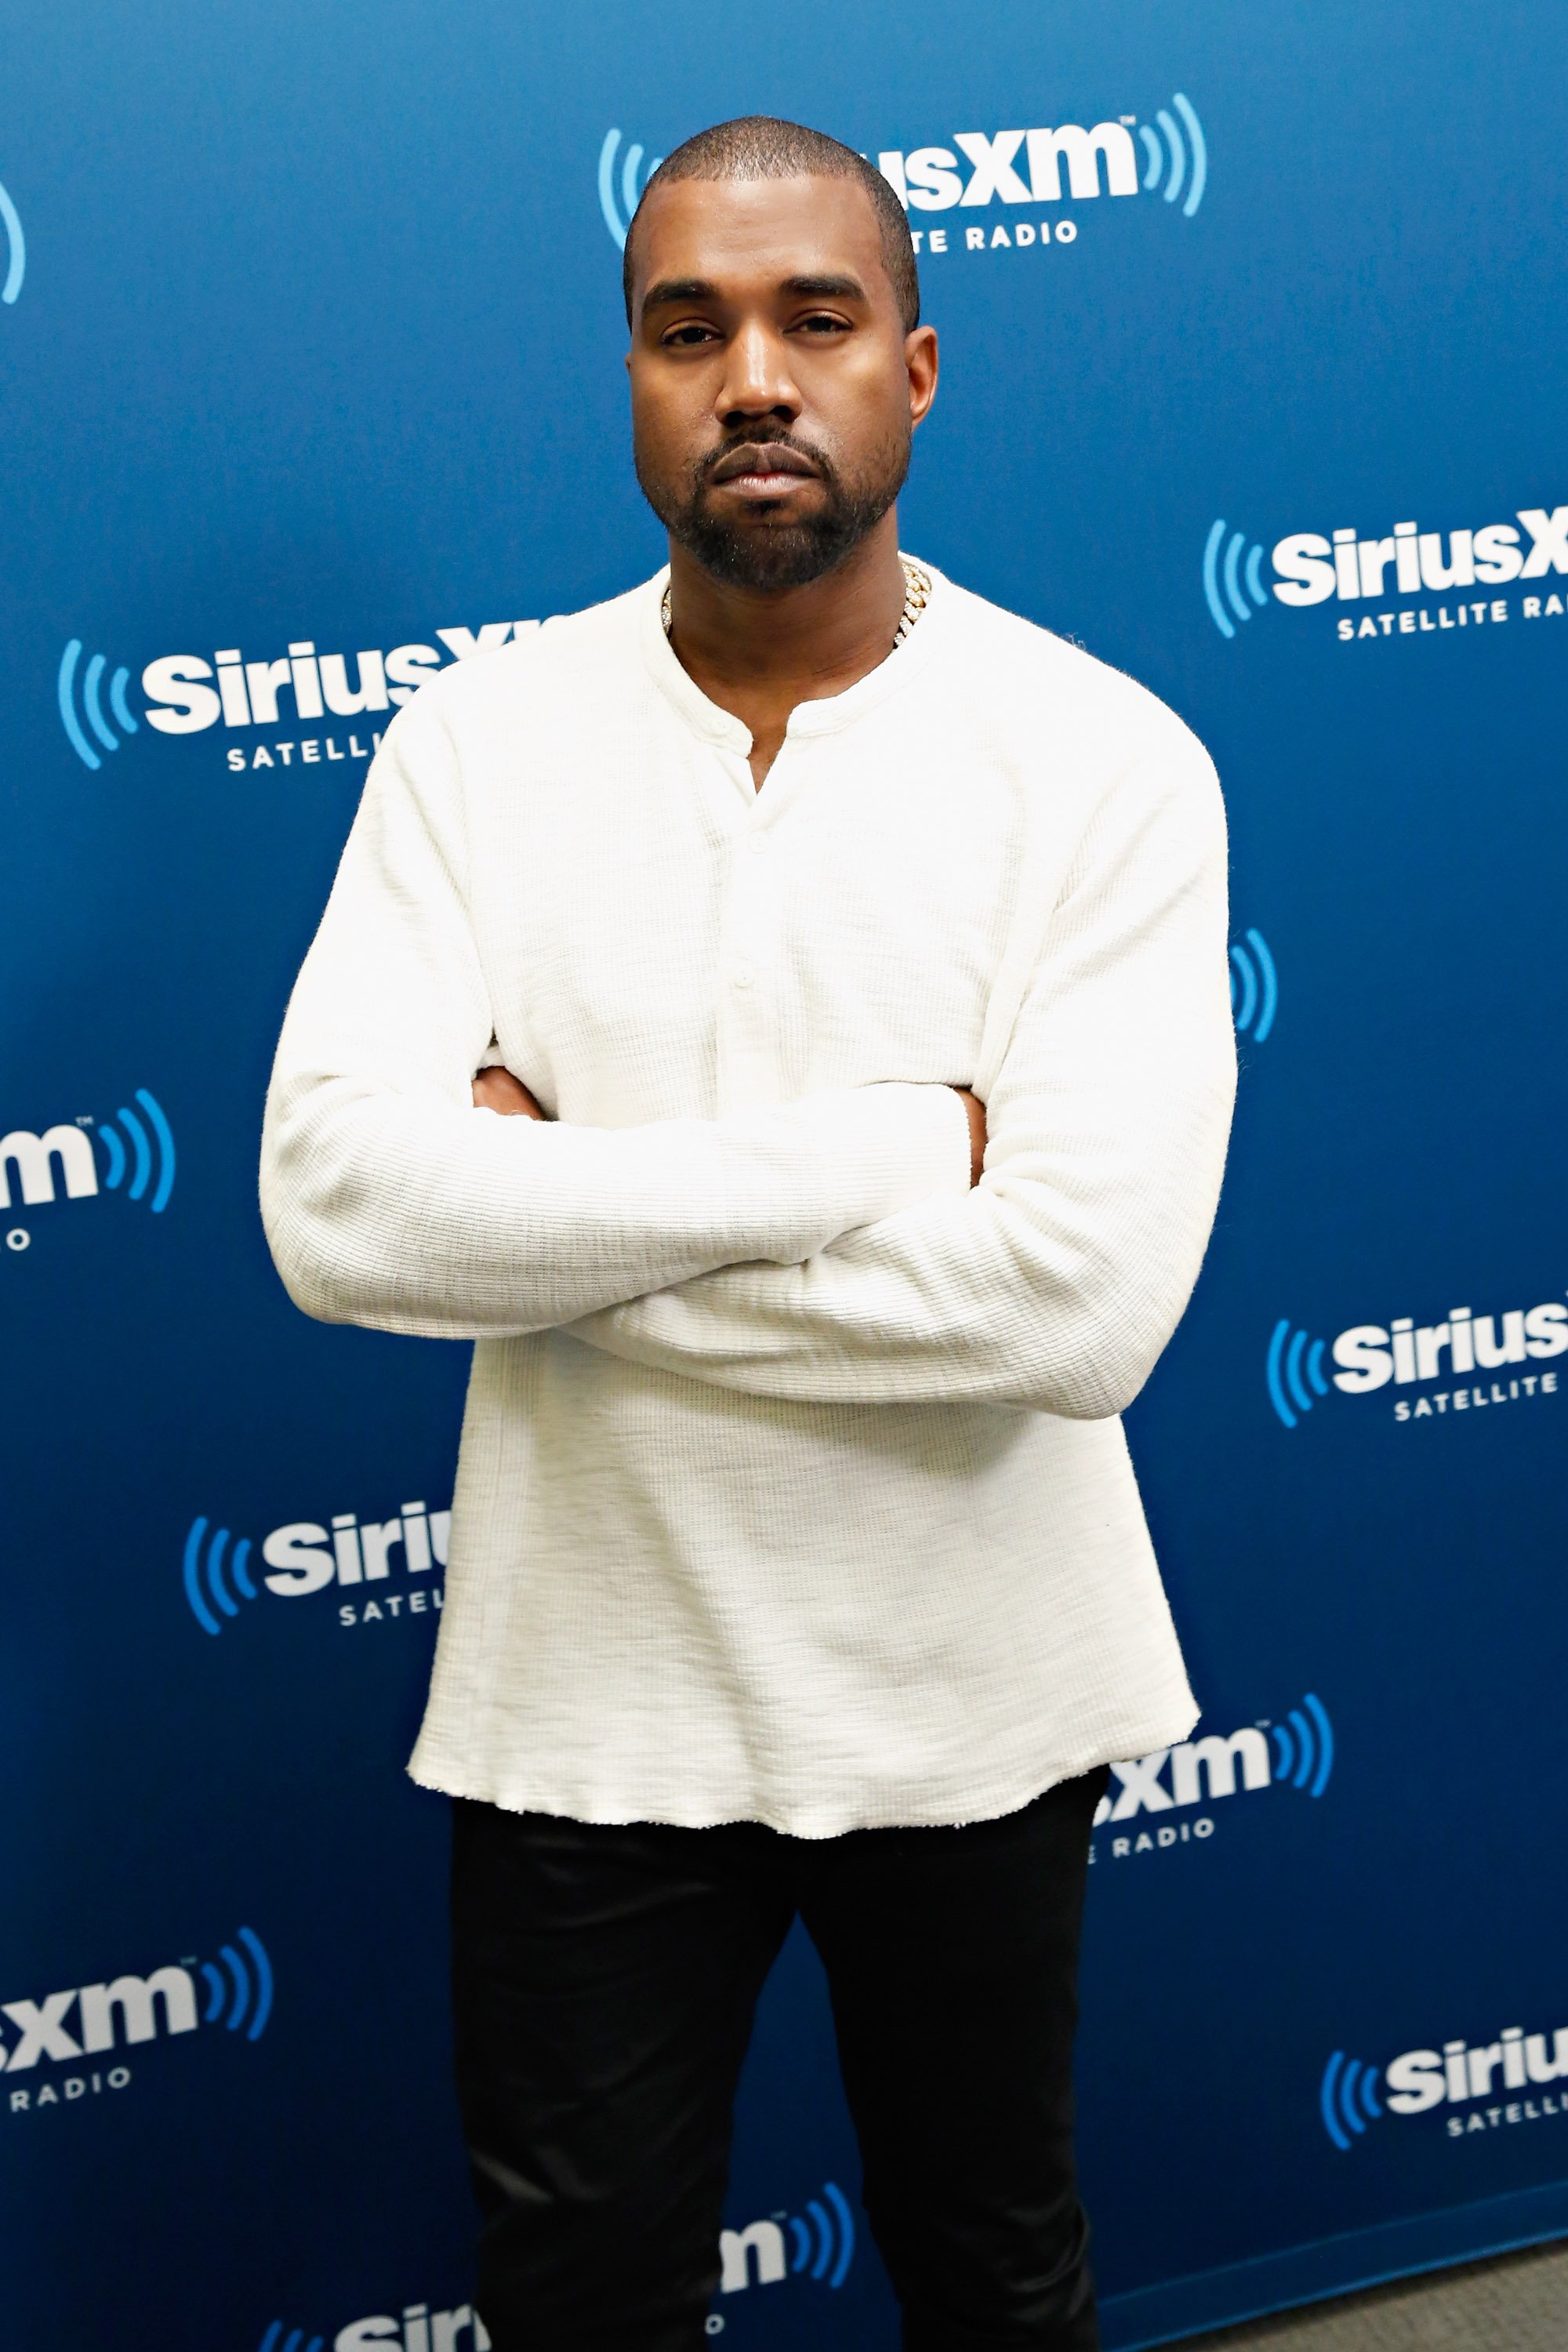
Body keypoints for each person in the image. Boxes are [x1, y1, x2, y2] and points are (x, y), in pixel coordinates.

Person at [261, 114, 1235, 2352]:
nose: (753, 378)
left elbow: (1080, 1303)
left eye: (813, 318)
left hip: (974, 1694)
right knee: (579, 2298)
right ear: (631, 381)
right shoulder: (469, 747)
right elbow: (335, 1210)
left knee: (999, 2275)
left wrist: (544, 1217)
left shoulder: (1103, 762)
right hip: (583, 1703)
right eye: (687, 329)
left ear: (916, 363)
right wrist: (892, 1151)